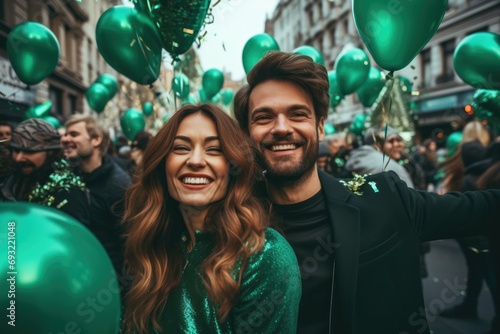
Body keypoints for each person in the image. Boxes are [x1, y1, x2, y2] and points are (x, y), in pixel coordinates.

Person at [233, 51, 500, 334]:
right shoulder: (229, 223)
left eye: (298, 114)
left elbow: (484, 209)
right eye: (264, 117)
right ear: (247, 134)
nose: (282, 128)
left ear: (320, 127)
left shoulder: (387, 200)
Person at [121, 104, 301, 334]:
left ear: (233, 165)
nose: (195, 160)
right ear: (163, 163)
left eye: (214, 150)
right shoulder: (153, 244)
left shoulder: (263, 254)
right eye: (181, 148)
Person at [61, 115, 132, 281]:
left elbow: (132, 243)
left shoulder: (118, 185)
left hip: (105, 280)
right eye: (65, 134)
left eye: (73, 134)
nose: (65, 139)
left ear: (96, 140)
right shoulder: (66, 177)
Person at [0, 118, 90, 225]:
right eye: (16, 150)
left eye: (29, 151)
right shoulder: (10, 180)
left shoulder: (67, 191)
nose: (19, 158)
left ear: (50, 152)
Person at [345, 125, 415, 188]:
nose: (396, 144)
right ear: (378, 145)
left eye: (398, 140)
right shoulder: (391, 167)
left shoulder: (409, 163)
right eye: (391, 141)